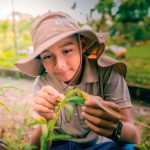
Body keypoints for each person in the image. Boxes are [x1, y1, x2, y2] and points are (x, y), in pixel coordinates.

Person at [15, 11, 139, 150]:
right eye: (47, 56)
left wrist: (114, 127)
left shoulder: (108, 72)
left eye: (67, 51)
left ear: (83, 45)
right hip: (60, 145)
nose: (60, 65)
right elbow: (36, 147)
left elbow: (133, 137)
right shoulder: (43, 84)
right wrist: (46, 120)